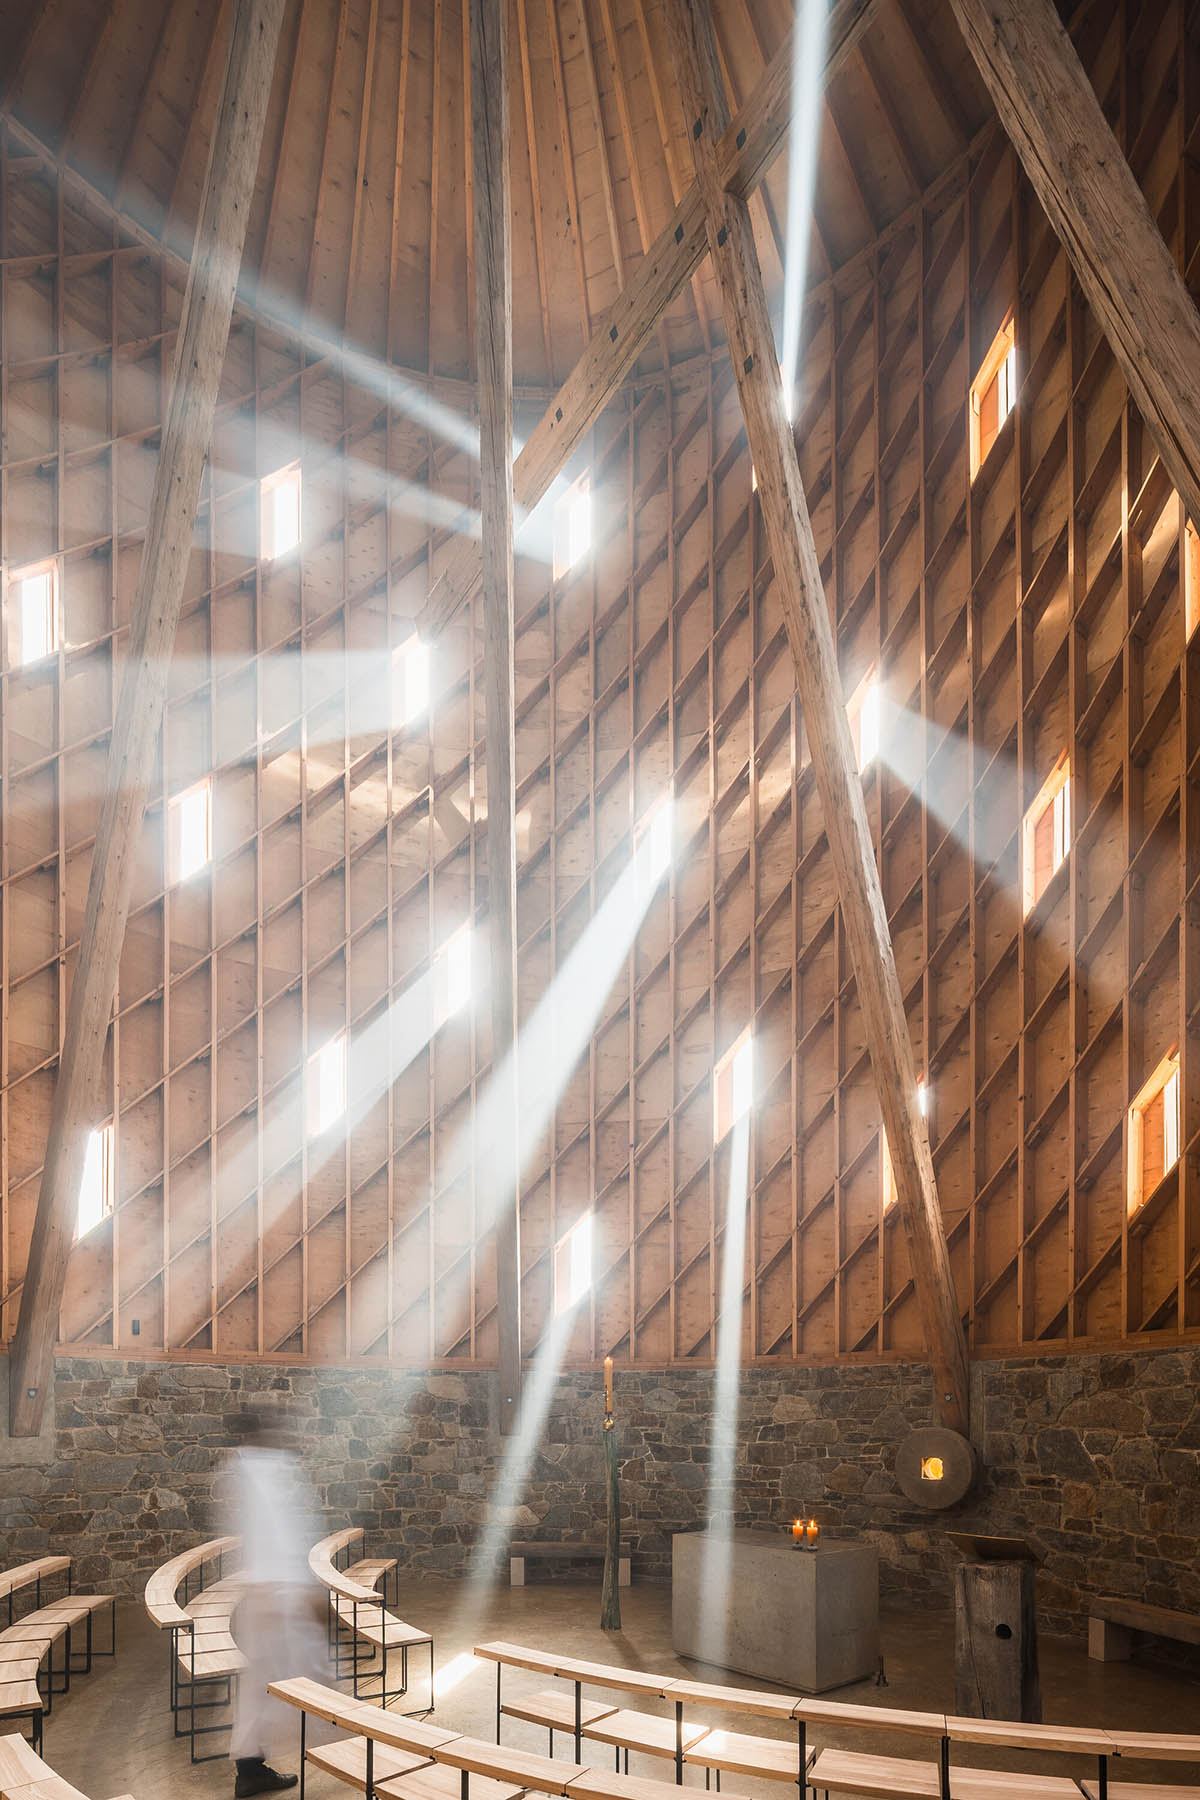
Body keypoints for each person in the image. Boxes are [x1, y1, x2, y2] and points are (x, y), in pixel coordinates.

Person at [226, 1405, 328, 1798]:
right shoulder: (259, 1471)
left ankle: (250, 1768)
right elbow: (272, 1531)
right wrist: (299, 1586)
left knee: (261, 1686)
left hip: (270, 1588)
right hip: (274, 1590)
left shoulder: (247, 1467)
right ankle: (359, 1747)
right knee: (305, 1676)